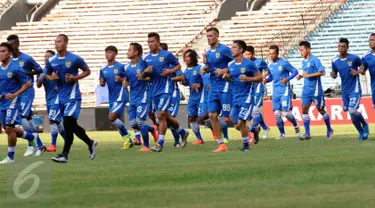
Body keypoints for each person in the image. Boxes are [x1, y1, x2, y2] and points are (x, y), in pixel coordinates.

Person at [46, 34, 97, 163]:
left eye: (59, 42)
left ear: (66, 43)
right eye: (55, 42)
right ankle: (90, 143)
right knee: (71, 125)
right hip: (60, 97)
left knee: (68, 124)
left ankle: (64, 154)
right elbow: (47, 74)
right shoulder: (51, 60)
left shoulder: (74, 59)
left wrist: (75, 78)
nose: (57, 44)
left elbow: (87, 71)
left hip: (73, 97)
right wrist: (52, 77)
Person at [140, 32, 189, 152]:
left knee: (161, 114)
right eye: (148, 42)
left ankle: (159, 144)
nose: (150, 44)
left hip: (166, 89)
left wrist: (170, 71)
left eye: (152, 42)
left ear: (158, 42)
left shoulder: (166, 55)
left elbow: (178, 65)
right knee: (165, 116)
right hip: (154, 90)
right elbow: (141, 76)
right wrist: (145, 71)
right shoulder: (146, 58)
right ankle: (182, 132)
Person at [0, 42, 39, 164]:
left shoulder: (16, 68)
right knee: (8, 129)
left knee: (9, 128)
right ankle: (32, 137)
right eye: (0, 51)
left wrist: (15, 94)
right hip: (2, 102)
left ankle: (10, 157)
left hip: (13, 101)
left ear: (10, 53)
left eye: (4, 51)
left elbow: (27, 84)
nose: (1, 54)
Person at [7, 34, 45, 156]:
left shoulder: (27, 58)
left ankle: (31, 145)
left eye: (12, 44)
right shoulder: (9, 60)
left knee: (23, 116)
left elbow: (39, 69)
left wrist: (28, 73)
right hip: (16, 93)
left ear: (17, 44)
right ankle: (39, 145)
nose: (10, 47)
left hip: (27, 91)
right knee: (27, 118)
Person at [223, 40, 262, 152]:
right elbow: (231, 79)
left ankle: (246, 146)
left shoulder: (249, 64)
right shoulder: (230, 64)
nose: (231, 49)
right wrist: (227, 77)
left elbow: (260, 78)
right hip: (235, 98)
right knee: (236, 126)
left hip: (247, 97)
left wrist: (248, 78)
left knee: (241, 122)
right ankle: (254, 130)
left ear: (241, 50)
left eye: (234, 47)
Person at [200, 27, 233, 152]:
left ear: (217, 36)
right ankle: (221, 144)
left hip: (224, 86)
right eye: (207, 36)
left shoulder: (224, 49)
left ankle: (251, 129)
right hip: (213, 86)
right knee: (212, 115)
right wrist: (205, 69)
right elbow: (210, 67)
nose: (209, 38)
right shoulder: (208, 52)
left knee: (227, 118)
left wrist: (224, 70)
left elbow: (236, 62)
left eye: (211, 36)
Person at [331, 38, 369, 140]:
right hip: (344, 90)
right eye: (339, 46)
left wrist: (357, 72)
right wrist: (333, 74)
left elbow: (363, 67)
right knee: (350, 114)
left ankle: (365, 125)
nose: (341, 48)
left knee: (352, 110)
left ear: (347, 47)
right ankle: (361, 133)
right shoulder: (334, 61)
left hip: (354, 89)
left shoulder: (354, 58)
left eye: (343, 46)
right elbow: (334, 74)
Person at [124, 42, 158, 151]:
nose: (128, 52)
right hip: (132, 97)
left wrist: (144, 77)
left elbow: (152, 77)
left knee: (140, 122)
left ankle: (146, 146)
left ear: (136, 52)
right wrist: (125, 82)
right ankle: (152, 130)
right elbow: (128, 80)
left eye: (130, 50)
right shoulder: (127, 67)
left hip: (143, 96)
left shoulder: (143, 64)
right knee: (133, 124)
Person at [296, 41, 334, 140]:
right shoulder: (303, 61)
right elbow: (305, 72)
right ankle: (307, 133)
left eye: (302, 50)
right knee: (304, 109)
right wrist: (301, 75)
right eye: (300, 50)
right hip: (306, 90)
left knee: (321, 110)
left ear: (308, 49)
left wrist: (309, 75)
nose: (301, 52)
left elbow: (323, 72)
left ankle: (329, 129)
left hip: (316, 90)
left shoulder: (315, 60)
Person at [99, 45, 133, 149]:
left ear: (115, 54)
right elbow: (102, 83)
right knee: (115, 120)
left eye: (109, 53)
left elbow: (129, 80)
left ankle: (127, 137)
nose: (107, 55)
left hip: (121, 95)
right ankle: (129, 140)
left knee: (111, 117)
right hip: (112, 98)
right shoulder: (103, 69)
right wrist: (101, 82)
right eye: (106, 53)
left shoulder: (121, 67)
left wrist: (122, 80)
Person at [263, 45, 300, 140]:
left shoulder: (284, 63)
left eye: (273, 54)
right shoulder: (270, 65)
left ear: (277, 53)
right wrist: (266, 80)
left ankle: (296, 125)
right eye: (270, 54)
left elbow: (295, 71)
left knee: (286, 113)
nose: (271, 56)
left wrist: (287, 79)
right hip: (275, 92)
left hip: (284, 91)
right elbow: (271, 77)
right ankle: (283, 134)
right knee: (277, 114)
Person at [37, 50, 66, 152]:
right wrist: (40, 80)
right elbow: (38, 85)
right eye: (45, 56)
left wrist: (57, 78)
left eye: (48, 56)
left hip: (58, 98)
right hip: (48, 99)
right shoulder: (42, 71)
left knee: (52, 120)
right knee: (57, 122)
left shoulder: (57, 68)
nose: (45, 58)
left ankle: (53, 145)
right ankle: (68, 140)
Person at [160, 42, 184, 147]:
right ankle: (181, 135)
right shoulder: (158, 64)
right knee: (163, 118)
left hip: (173, 93)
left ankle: (177, 141)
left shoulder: (171, 63)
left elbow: (181, 77)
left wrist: (169, 78)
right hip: (161, 94)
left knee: (170, 117)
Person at [244, 46, 270, 140]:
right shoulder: (243, 63)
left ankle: (255, 132)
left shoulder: (260, 62)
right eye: (246, 54)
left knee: (255, 110)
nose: (247, 56)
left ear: (253, 54)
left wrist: (262, 76)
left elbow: (268, 70)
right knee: (253, 112)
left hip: (258, 86)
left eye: (249, 54)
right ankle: (265, 128)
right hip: (249, 88)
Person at [181, 49, 205, 144]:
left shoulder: (200, 68)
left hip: (201, 96)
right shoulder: (185, 71)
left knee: (201, 118)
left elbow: (206, 80)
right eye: (185, 57)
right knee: (191, 118)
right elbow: (187, 83)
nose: (186, 59)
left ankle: (217, 133)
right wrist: (183, 82)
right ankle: (199, 139)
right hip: (192, 97)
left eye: (189, 56)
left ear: (193, 57)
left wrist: (200, 84)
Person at [361, 33, 375, 109]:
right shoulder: (366, 56)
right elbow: (363, 71)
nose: (370, 42)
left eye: (372, 40)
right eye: (369, 40)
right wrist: (360, 70)